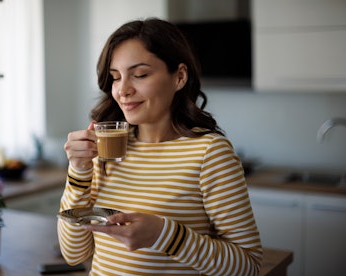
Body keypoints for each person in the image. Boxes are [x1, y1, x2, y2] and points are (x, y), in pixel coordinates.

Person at [58, 18, 263, 275]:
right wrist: (78, 171)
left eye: (140, 75)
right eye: (115, 77)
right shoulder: (107, 148)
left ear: (179, 77)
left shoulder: (210, 153)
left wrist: (165, 235)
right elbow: (74, 253)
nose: (122, 90)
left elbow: (249, 266)